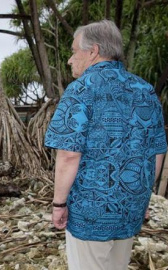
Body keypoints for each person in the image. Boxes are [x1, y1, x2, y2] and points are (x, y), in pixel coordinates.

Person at [44, 20, 167, 270]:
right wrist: (144, 198)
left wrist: (59, 204)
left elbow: (68, 154)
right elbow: (157, 150)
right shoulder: (145, 90)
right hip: (130, 205)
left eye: (73, 51)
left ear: (93, 51)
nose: (70, 59)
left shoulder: (80, 91)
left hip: (91, 211)